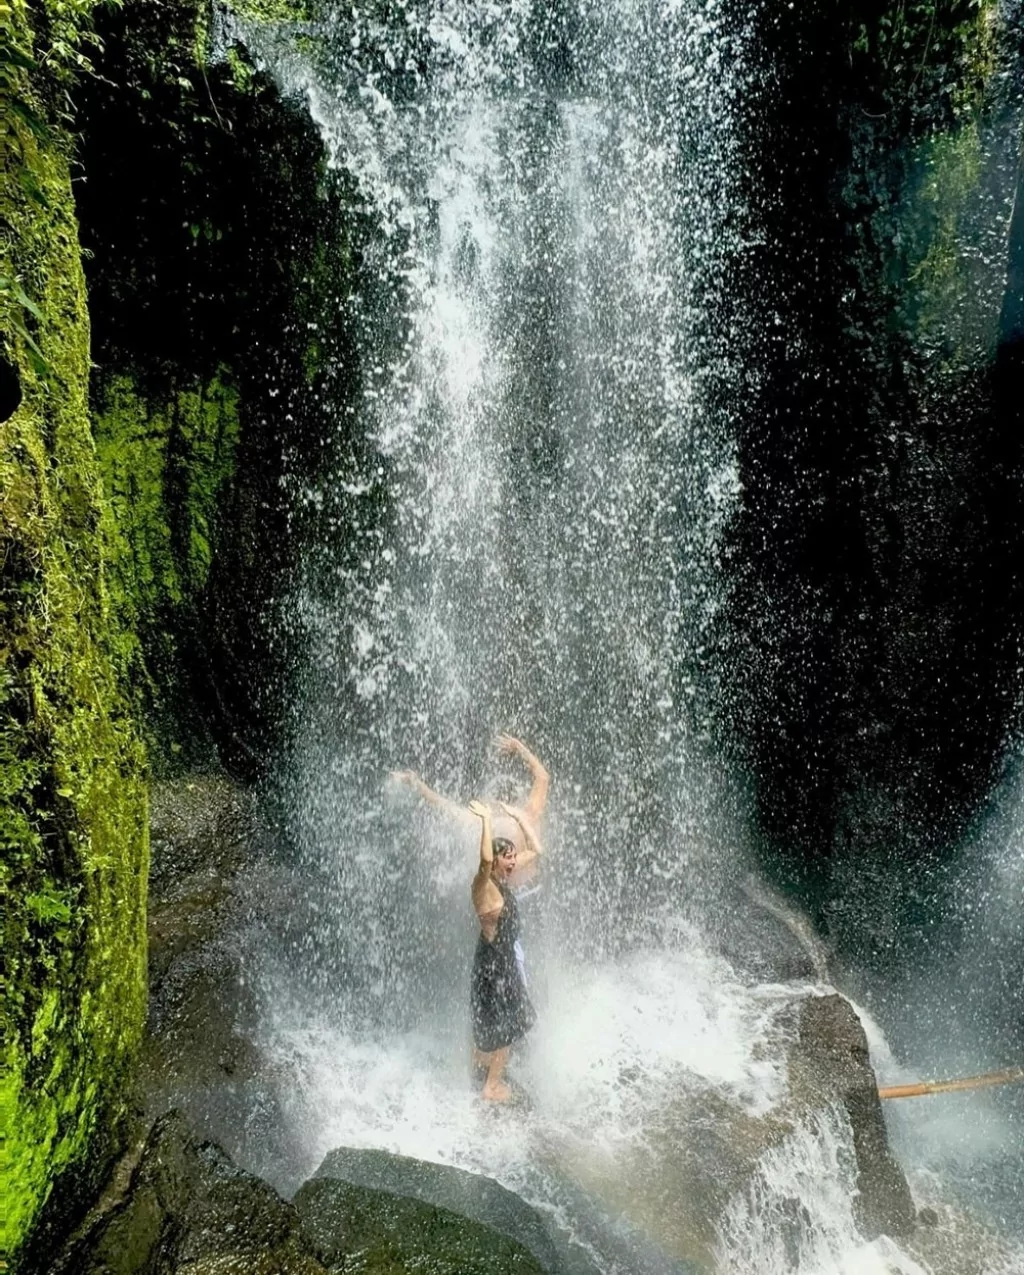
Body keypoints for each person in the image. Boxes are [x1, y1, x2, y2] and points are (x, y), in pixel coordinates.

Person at [390, 733, 549, 869]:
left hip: (510, 890)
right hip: (533, 884)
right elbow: (543, 777)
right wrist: (519, 747)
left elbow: (443, 805)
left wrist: (416, 783)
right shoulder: (529, 814)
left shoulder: (483, 823)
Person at [466, 799, 538, 1101]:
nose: (513, 863)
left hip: (505, 962)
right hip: (492, 966)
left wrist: (521, 818)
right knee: (508, 1023)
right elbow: (483, 861)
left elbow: (537, 851)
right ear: (495, 860)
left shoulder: (502, 873)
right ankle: (491, 1086)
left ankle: (481, 1063)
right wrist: (486, 820)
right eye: (507, 858)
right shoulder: (483, 885)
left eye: (513, 857)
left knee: (508, 1021)